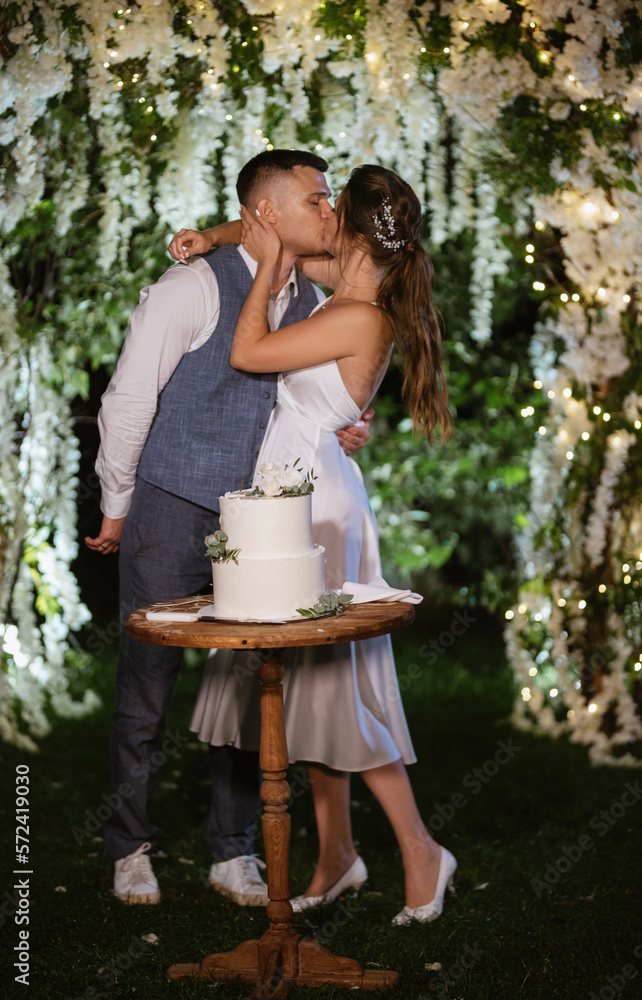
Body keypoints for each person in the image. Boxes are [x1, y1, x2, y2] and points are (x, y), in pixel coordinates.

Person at [84, 150, 373, 907]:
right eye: (317, 199)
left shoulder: (314, 296)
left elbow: (317, 384)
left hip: (264, 521)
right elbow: (127, 404)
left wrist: (344, 422)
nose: (330, 211)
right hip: (170, 504)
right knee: (147, 686)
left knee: (250, 687)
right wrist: (118, 504)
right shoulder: (191, 288)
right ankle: (131, 848)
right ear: (270, 212)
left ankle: (231, 851)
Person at [170, 164, 456, 926]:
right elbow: (277, 231)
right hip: (291, 489)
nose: (318, 210)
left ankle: (422, 851)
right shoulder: (351, 279)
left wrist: (262, 271)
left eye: (330, 203)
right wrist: (218, 236)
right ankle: (338, 855)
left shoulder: (360, 314)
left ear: (353, 231)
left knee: (338, 693)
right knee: (308, 694)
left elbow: (250, 351)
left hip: (316, 505)